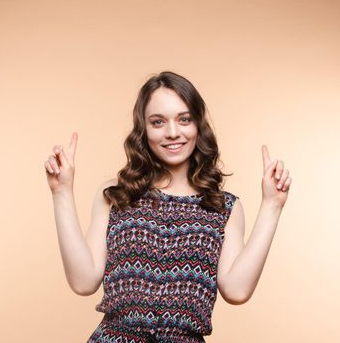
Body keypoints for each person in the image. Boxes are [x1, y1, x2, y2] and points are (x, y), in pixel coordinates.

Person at [44, 71, 292, 342]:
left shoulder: (222, 207)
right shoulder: (117, 195)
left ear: (198, 124)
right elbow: (83, 281)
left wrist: (272, 204)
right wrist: (61, 192)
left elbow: (237, 290)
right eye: (158, 122)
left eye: (184, 119)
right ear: (144, 130)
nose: (173, 133)